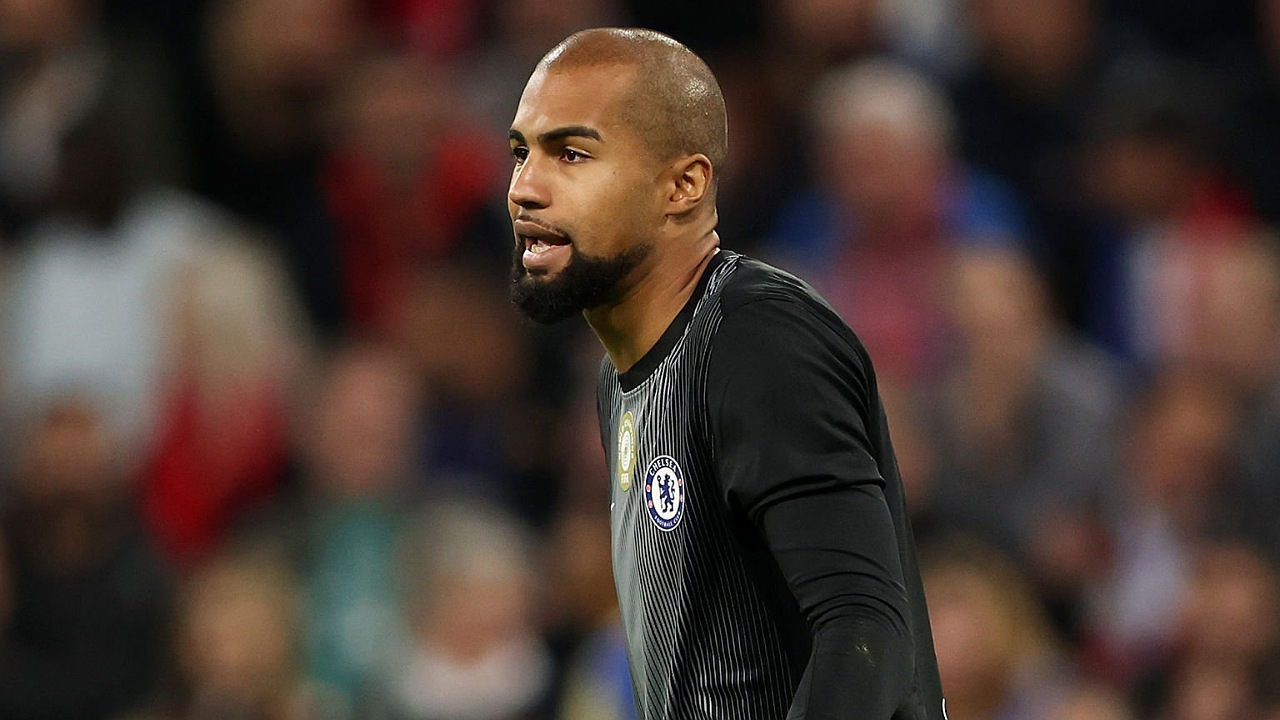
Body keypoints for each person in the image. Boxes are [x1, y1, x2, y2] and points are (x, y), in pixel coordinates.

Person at [505, 27, 945, 719]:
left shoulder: (755, 338)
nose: (526, 187)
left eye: (572, 153)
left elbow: (862, 630)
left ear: (683, 185)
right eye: (521, 152)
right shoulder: (619, 377)